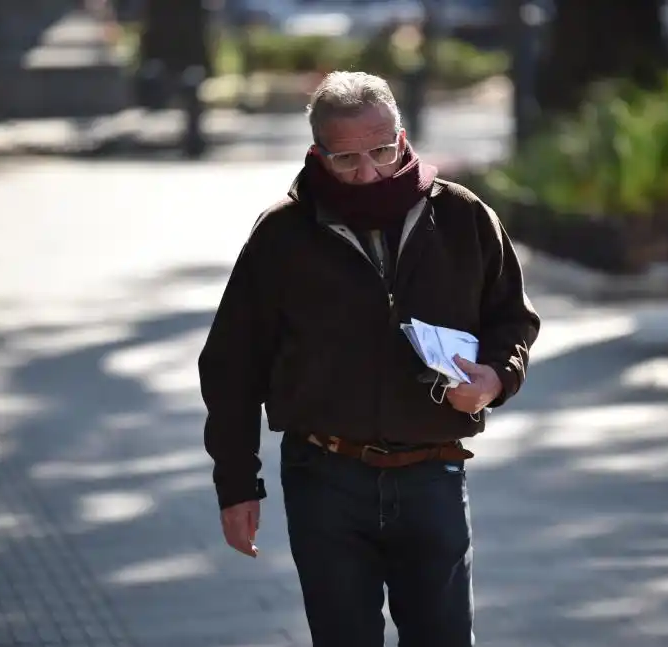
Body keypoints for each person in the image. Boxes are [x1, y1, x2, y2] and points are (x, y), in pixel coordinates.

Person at [199, 70, 541, 647]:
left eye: (382, 151)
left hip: (433, 472)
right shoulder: (282, 236)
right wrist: (236, 483)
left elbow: (513, 319)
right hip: (324, 477)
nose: (368, 172)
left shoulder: (463, 216)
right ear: (317, 154)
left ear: (402, 139)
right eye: (346, 159)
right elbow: (231, 366)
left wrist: (495, 379)